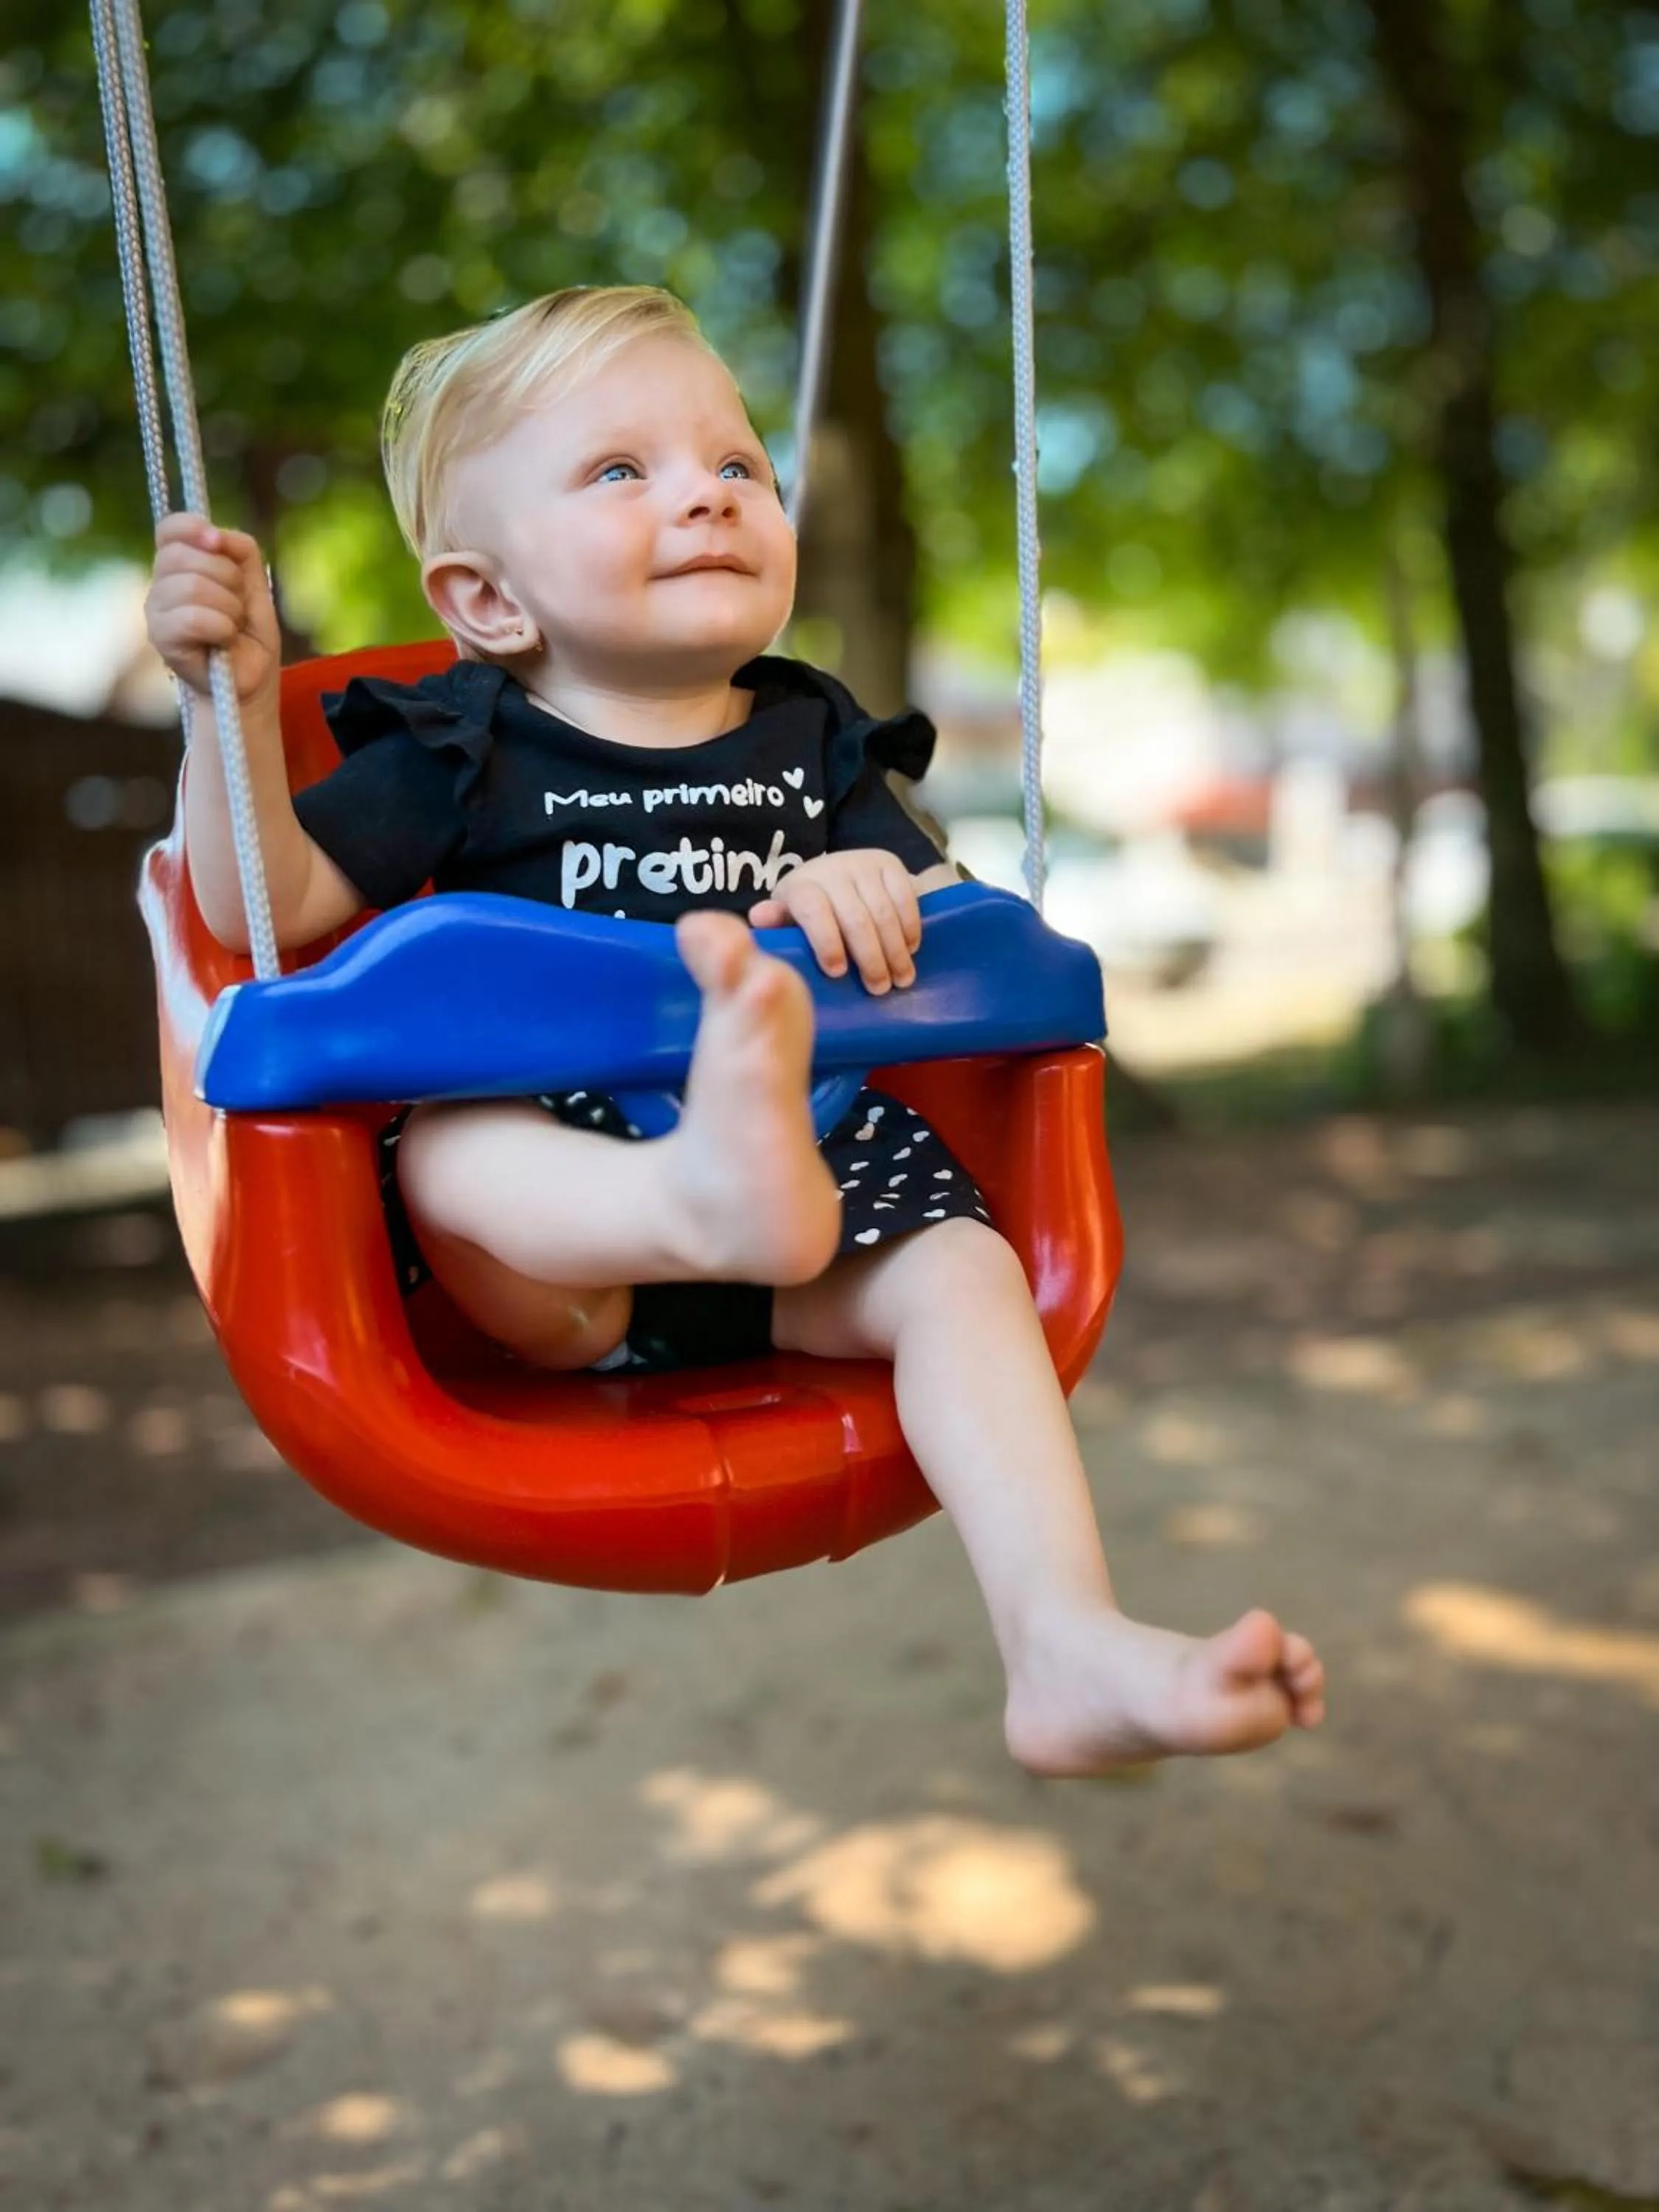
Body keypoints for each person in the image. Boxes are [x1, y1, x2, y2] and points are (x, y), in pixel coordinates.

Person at [145, 285, 1325, 1776]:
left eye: (736, 465)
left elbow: (950, 934)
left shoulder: (813, 736)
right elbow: (269, 905)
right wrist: (229, 708)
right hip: (561, 1245)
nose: (705, 488)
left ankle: (1063, 1642)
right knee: (454, 1148)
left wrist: (871, 887)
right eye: (622, 470)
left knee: (965, 1276)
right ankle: (689, 1194)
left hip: (820, 1201)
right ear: (489, 602)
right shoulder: (458, 744)